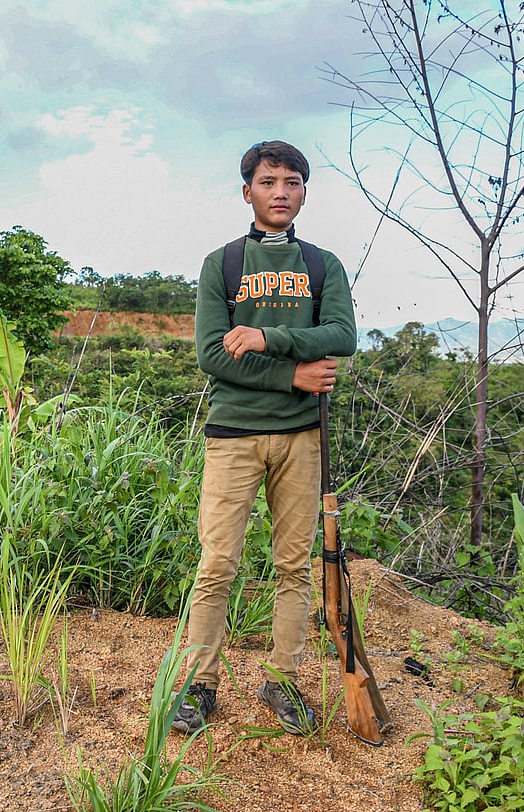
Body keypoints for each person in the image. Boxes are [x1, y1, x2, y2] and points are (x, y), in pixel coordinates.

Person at [172, 141, 357, 735]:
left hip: (302, 437)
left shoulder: (323, 265)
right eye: (269, 181)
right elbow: (210, 356)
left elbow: (343, 335)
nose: (281, 192)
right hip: (234, 436)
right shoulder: (222, 264)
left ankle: (282, 680)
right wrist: (295, 373)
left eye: (293, 182)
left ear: (305, 191)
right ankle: (199, 686)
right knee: (218, 564)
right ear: (246, 190)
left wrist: (269, 339)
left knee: (293, 566)